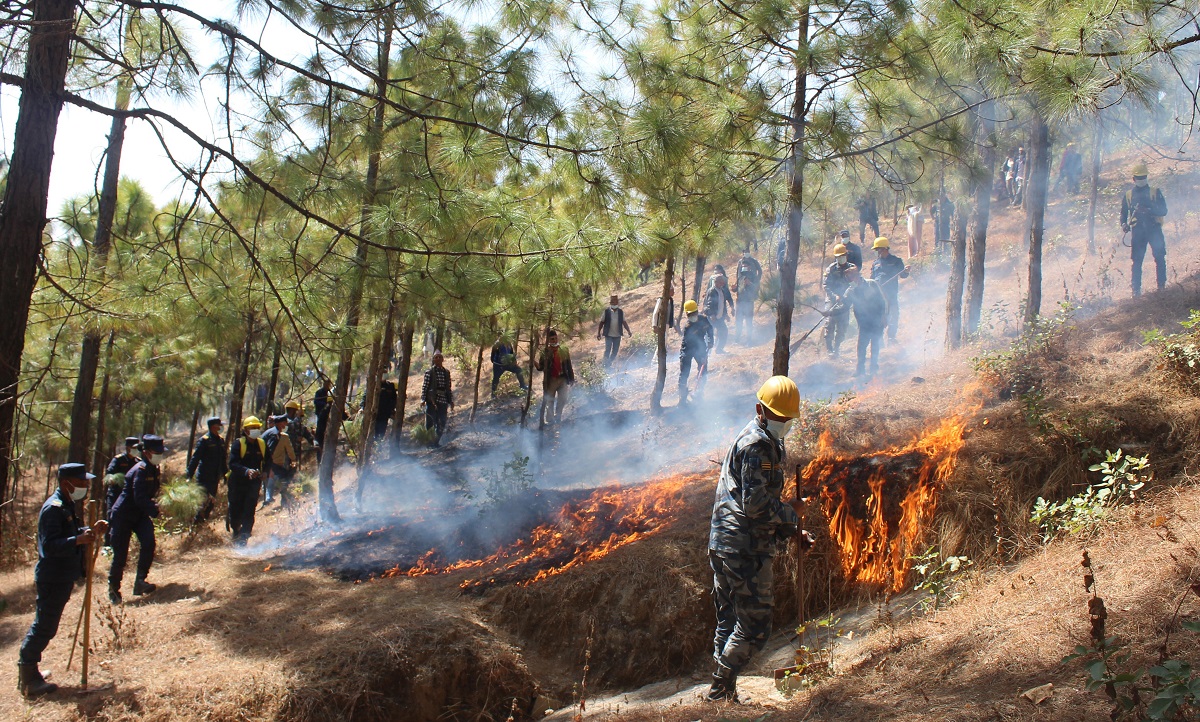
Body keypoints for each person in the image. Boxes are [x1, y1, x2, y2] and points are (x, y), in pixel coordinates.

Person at [707, 376, 812, 703]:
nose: (784, 423)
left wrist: (792, 529)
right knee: (754, 628)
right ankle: (719, 689)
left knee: (728, 621)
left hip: (725, 542)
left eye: (787, 419)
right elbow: (755, 506)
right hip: (743, 548)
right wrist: (791, 513)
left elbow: (751, 499)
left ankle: (724, 696)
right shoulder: (758, 445)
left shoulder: (759, 438)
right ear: (760, 410)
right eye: (779, 417)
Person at [17, 463, 105, 697]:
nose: (86, 486)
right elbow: (49, 546)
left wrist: (91, 530)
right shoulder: (53, 509)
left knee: (47, 625)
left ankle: (31, 672)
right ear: (67, 483)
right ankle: (28, 678)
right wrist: (77, 540)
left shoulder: (67, 505)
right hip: (52, 576)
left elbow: (70, 534)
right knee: (44, 626)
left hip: (62, 575)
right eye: (82, 482)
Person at [108, 434, 165, 604]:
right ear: (147, 453)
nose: (160, 455)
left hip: (139, 515)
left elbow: (149, 494)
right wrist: (155, 510)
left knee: (148, 543)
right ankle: (114, 590)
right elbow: (139, 497)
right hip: (124, 515)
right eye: (157, 452)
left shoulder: (154, 468)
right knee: (120, 554)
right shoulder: (139, 470)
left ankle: (140, 581)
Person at [1120, 162, 1168, 297]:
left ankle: (1162, 288)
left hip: (1154, 230)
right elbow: (1123, 213)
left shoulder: (1155, 192)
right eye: (1139, 177)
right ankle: (1136, 292)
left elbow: (1163, 210)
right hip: (1138, 233)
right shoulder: (1129, 195)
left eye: (1143, 177)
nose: (1141, 180)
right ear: (1134, 179)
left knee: (1159, 258)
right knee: (1137, 261)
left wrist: (1149, 211)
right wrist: (1124, 224)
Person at [228, 416, 267, 545]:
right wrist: (247, 471)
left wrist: (266, 472)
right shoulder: (238, 444)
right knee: (236, 510)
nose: (256, 430)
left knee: (249, 510)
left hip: (253, 484)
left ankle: (244, 538)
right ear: (245, 430)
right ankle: (236, 530)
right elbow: (233, 464)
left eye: (257, 428)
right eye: (252, 428)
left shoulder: (262, 444)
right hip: (238, 483)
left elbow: (268, 461)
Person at [844, 265, 889, 378]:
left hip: (877, 320)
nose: (850, 281)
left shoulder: (872, 284)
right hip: (864, 323)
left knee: (875, 345)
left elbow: (882, 301)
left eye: (851, 278)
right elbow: (844, 306)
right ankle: (860, 370)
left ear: (857, 276)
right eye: (848, 279)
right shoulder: (850, 291)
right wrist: (830, 312)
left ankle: (873, 368)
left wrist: (884, 316)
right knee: (861, 346)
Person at [187, 417, 227, 524]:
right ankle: (196, 524)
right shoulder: (204, 441)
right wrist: (188, 475)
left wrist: (226, 475)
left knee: (211, 503)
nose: (221, 427)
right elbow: (195, 459)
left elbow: (223, 460)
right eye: (219, 425)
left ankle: (202, 523)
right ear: (214, 427)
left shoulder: (221, 440)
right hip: (204, 477)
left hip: (215, 478)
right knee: (202, 503)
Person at [869, 237, 910, 343]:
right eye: (876, 250)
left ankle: (891, 337)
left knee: (894, 315)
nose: (877, 252)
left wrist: (906, 271)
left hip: (891, 294)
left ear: (885, 249)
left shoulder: (896, 261)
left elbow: (903, 275)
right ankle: (879, 339)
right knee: (880, 316)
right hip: (879, 295)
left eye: (878, 249)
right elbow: (872, 279)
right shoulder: (875, 263)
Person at [103, 436, 141, 543]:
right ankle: (107, 543)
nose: (136, 450)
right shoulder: (118, 460)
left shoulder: (139, 462)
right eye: (134, 448)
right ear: (128, 448)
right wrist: (116, 479)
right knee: (111, 517)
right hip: (115, 494)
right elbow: (109, 474)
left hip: (130, 497)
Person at [534, 329, 574, 425]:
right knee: (550, 400)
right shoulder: (545, 352)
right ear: (548, 340)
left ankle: (558, 416)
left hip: (562, 378)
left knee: (563, 398)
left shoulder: (563, 349)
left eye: (555, 338)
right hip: (551, 380)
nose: (554, 341)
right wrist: (533, 362)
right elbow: (541, 367)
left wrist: (571, 378)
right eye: (552, 339)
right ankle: (550, 420)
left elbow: (568, 364)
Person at [822, 245, 855, 358]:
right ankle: (829, 350)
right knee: (829, 325)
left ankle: (837, 349)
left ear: (846, 255)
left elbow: (855, 284)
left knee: (842, 328)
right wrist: (834, 296)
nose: (841, 258)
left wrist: (846, 296)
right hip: (832, 301)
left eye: (842, 256)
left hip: (845, 303)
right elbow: (826, 285)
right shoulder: (831, 269)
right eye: (838, 257)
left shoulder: (851, 268)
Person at [678, 300, 714, 405]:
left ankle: (699, 393)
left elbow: (710, 329)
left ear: (697, 311)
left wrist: (710, 341)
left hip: (701, 346)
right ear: (686, 314)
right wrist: (701, 355)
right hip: (687, 349)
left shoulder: (703, 319)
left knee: (703, 371)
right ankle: (682, 398)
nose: (692, 315)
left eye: (694, 313)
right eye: (690, 314)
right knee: (684, 373)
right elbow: (690, 343)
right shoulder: (687, 327)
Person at [263, 415, 297, 509]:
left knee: (270, 482)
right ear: (279, 423)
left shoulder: (268, 432)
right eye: (284, 423)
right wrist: (293, 460)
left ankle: (269, 498)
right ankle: (284, 498)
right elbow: (289, 450)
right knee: (285, 478)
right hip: (274, 464)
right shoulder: (279, 435)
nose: (286, 425)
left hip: (268, 464)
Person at [421, 351, 454, 445]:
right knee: (430, 423)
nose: (438, 359)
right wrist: (423, 399)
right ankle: (429, 443)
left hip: (443, 400)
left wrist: (451, 401)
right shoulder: (429, 372)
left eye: (440, 357)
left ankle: (436, 442)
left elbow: (448, 387)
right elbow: (425, 386)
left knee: (442, 422)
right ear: (433, 360)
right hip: (432, 400)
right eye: (436, 357)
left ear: (443, 359)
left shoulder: (446, 372)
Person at [596, 294, 633, 367]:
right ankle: (605, 365)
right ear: (610, 303)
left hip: (617, 335)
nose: (614, 303)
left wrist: (628, 331)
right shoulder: (606, 312)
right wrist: (598, 333)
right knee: (607, 350)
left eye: (615, 302)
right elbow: (601, 322)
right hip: (608, 334)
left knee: (615, 351)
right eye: (613, 302)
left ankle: (608, 363)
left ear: (617, 303)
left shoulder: (620, 312)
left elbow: (624, 322)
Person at [703, 274, 733, 352]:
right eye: (720, 282)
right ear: (716, 282)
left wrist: (725, 314)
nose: (722, 284)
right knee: (710, 334)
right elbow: (709, 304)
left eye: (723, 282)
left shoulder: (722, 291)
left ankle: (719, 349)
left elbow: (723, 304)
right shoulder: (712, 291)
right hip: (712, 317)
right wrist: (712, 314)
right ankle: (706, 351)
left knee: (724, 331)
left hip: (719, 317)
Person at [284, 399, 316, 464]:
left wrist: (315, 443)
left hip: (295, 454)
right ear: (292, 411)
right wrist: (295, 438)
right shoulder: (284, 422)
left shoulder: (300, 427)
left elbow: (309, 436)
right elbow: (286, 434)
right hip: (284, 454)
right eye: (296, 411)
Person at [313, 376, 332, 460]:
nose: (327, 385)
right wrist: (325, 405)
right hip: (321, 415)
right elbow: (316, 401)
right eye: (326, 383)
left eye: (328, 384)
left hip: (330, 417)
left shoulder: (330, 393)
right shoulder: (319, 392)